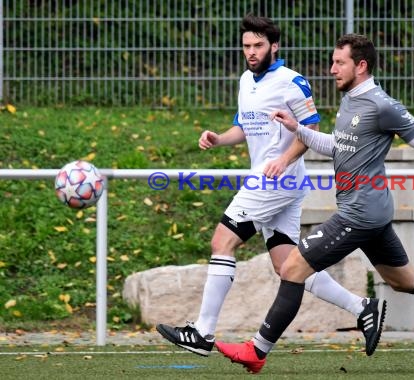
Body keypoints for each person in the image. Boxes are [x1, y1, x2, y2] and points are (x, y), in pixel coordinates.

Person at [215, 34, 414, 374]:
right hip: (371, 212)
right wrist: (298, 129)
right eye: (333, 62)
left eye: (340, 63)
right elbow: (337, 146)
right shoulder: (351, 99)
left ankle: (257, 350)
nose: (331, 69)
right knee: (404, 279)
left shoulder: (382, 105)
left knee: (292, 268)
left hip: (360, 213)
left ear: (361, 66)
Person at [156, 17, 386, 358]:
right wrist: (219, 139)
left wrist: (285, 160)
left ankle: (202, 333)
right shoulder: (246, 80)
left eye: (258, 45)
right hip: (274, 182)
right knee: (288, 265)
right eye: (247, 45)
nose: (251, 52)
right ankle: (361, 307)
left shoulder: (291, 81)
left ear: (273, 46)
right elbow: (243, 128)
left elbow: (310, 128)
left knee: (222, 241)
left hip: (275, 181)